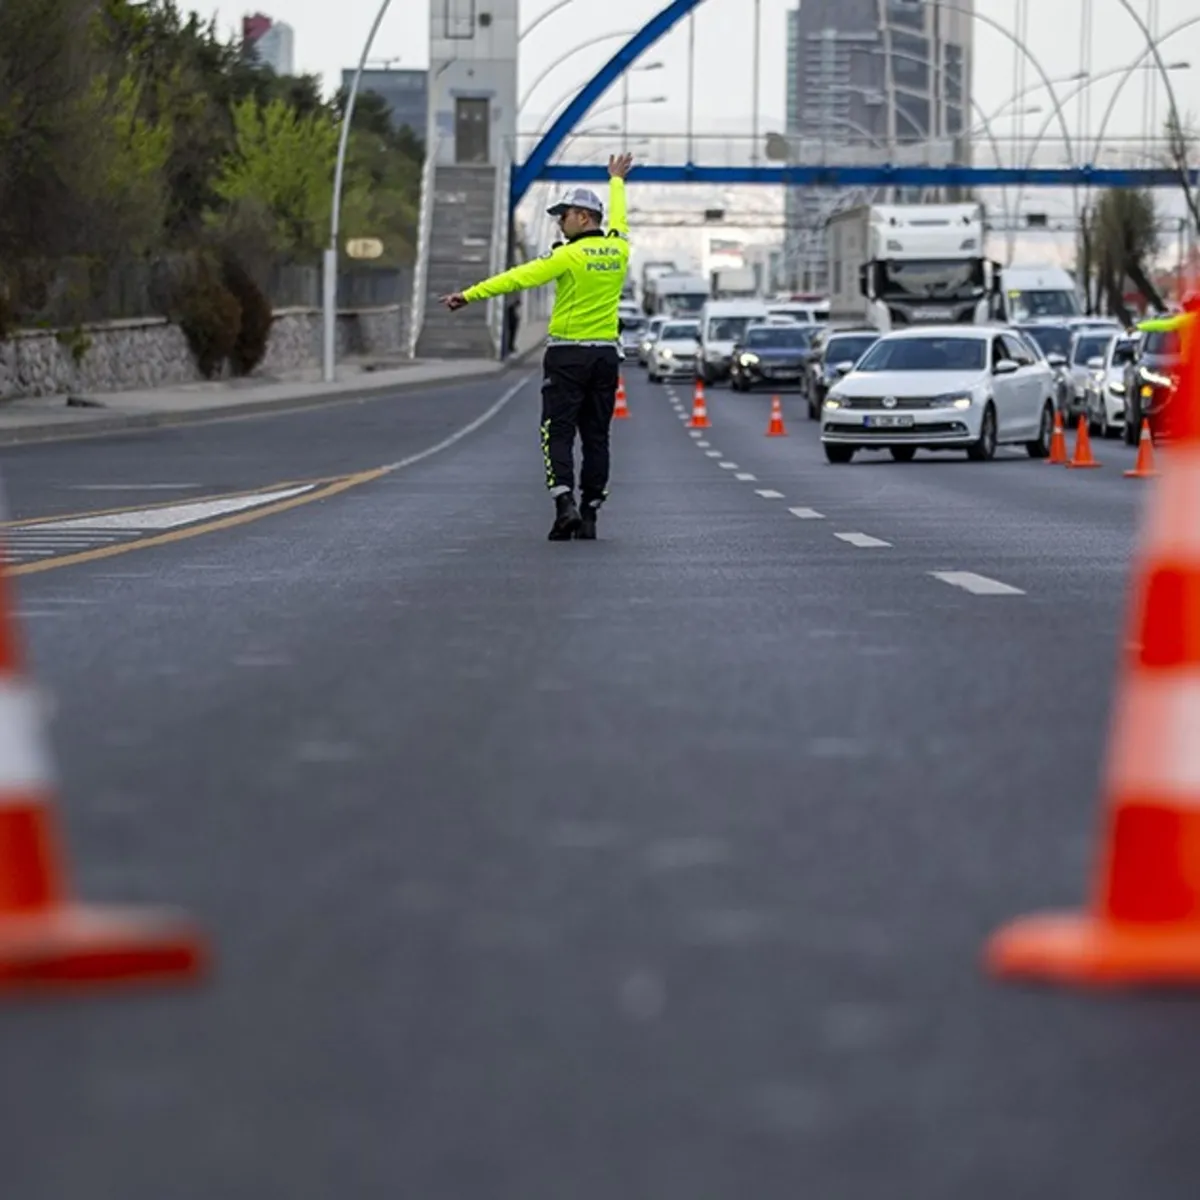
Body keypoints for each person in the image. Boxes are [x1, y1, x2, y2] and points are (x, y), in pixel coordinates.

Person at [440, 152, 634, 540]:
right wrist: (616, 180)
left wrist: (469, 295)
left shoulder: (568, 256)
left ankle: (565, 505)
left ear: (582, 216)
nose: (560, 225)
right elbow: (621, 220)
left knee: (556, 432)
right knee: (597, 437)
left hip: (567, 356)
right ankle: (592, 512)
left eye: (563, 216)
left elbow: (517, 278)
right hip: (605, 357)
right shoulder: (619, 250)